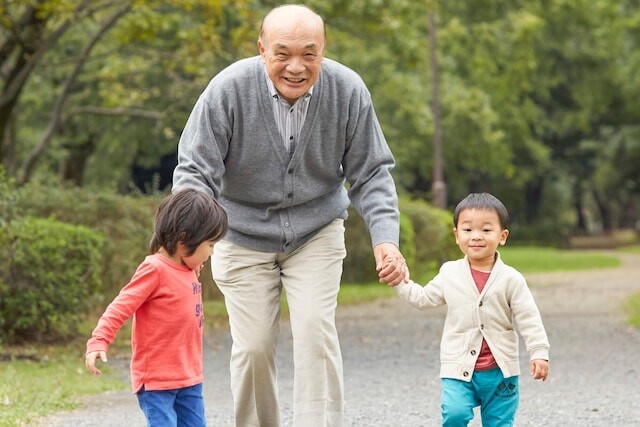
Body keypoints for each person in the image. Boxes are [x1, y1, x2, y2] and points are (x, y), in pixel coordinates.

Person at [172, 4, 408, 426]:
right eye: (282, 53)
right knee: (255, 347)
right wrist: (188, 238)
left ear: (323, 51)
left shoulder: (348, 91)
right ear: (261, 49)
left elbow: (372, 173)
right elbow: (195, 170)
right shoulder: (227, 90)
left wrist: (385, 239)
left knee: (316, 334)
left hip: (316, 231)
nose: (295, 67)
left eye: (309, 54)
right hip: (240, 232)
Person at [391, 192, 550, 427]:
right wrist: (399, 280)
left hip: (500, 372)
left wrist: (539, 352)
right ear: (456, 235)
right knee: (454, 415)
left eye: (486, 230)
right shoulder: (449, 273)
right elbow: (423, 298)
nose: (476, 236)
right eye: (467, 230)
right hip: (458, 367)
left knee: (499, 422)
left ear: (502, 236)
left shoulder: (511, 279)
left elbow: (529, 317)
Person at [85, 189, 228, 427]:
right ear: (184, 241)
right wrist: (99, 340)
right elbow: (121, 306)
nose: (212, 252)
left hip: (189, 377)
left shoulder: (188, 269)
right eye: (210, 245)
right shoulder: (154, 270)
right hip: (156, 381)